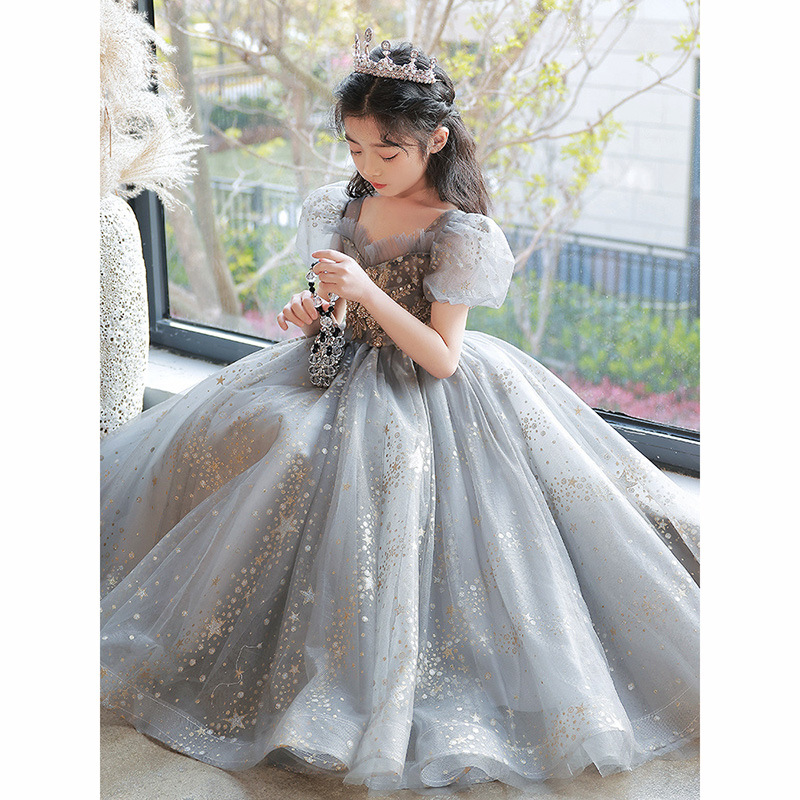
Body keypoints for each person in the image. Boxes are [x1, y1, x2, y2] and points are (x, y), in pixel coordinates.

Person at [101, 32, 699, 797]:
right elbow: (330, 323)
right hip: (340, 367)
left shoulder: (458, 229)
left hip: (425, 393)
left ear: (434, 140)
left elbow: (441, 357)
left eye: (387, 150)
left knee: (384, 478)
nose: (368, 165)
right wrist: (314, 314)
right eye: (354, 147)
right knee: (251, 435)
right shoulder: (342, 205)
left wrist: (364, 292)